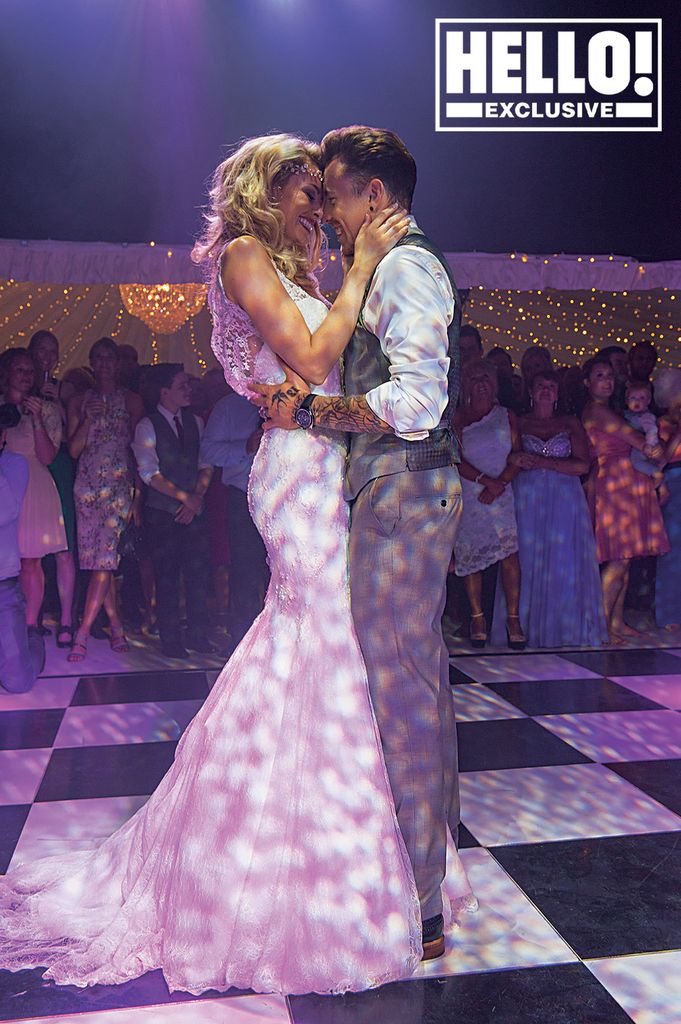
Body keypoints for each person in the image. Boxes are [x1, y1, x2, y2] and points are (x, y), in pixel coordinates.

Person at [0, 133, 466, 996]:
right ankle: (300, 878)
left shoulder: (294, 265)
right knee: (321, 642)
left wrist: (343, 280)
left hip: (325, 461)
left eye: (327, 194)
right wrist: (361, 266)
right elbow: (317, 360)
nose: (320, 208)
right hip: (298, 477)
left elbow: (323, 368)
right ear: (268, 188)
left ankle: (338, 857)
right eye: (307, 189)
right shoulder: (247, 255)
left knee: (330, 654)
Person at [252, 125, 475, 960]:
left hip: (406, 489)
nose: (331, 212)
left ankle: (418, 902)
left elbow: (416, 401)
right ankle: (424, 879)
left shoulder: (405, 269)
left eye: (336, 194)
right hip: (398, 493)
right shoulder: (380, 269)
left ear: (371, 196)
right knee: (411, 682)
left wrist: (308, 413)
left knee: (403, 692)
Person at [496, 370, 607, 648]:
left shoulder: (569, 422)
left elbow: (583, 465)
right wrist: (516, 458)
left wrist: (541, 462)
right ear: (531, 392)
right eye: (541, 385)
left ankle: (562, 626)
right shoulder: (518, 422)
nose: (546, 390)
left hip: (564, 499)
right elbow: (503, 457)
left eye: (551, 386)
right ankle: (522, 625)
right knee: (527, 557)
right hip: (527, 498)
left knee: (562, 558)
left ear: (557, 394)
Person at [66, 337, 144, 661]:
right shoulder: (79, 401)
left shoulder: (132, 401)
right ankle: (115, 626)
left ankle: (82, 632)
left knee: (105, 560)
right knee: (99, 563)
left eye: (109, 358)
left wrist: (137, 497)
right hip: (86, 487)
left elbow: (139, 452)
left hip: (117, 488)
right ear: (92, 363)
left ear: (118, 363)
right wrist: (88, 418)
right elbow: (72, 450)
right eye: (98, 358)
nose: (104, 363)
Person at [581, 356, 669, 642]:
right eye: (599, 376)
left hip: (627, 482)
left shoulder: (612, 409)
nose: (607, 381)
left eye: (609, 376)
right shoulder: (597, 411)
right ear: (587, 383)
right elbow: (639, 442)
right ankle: (601, 624)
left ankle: (615, 622)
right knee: (618, 558)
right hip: (615, 485)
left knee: (626, 558)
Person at [131, 363, 215, 659]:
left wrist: (198, 496)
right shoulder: (147, 425)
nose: (188, 390)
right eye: (181, 385)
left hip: (193, 509)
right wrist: (184, 498)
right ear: (164, 392)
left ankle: (198, 634)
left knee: (198, 574)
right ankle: (171, 639)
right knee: (167, 576)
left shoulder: (197, 422)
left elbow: (206, 462)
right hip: (163, 513)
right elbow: (149, 474)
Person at [450, 359, 525, 649]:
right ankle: (477, 617)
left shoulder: (507, 415)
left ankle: (514, 618)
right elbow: (454, 458)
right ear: (467, 385)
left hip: (501, 492)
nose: (481, 383)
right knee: (470, 555)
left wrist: (500, 482)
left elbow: (517, 455)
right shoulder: (458, 418)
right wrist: (485, 481)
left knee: (509, 554)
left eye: (486, 377)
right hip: (471, 492)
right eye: (475, 378)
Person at [0, 348, 67, 635]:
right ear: (7, 373)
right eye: (20, 369)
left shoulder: (47, 408)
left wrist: (37, 417)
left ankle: (27, 625)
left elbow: (48, 457)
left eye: (30, 370)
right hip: (5, 480)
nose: (26, 375)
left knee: (30, 560)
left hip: (34, 486)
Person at [200, 386, 270, 647]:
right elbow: (208, 451)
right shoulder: (229, 407)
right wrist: (245, 446)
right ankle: (244, 645)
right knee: (245, 574)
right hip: (242, 498)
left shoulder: (285, 402)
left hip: (281, 498)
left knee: (281, 573)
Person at [27, 330, 77, 648]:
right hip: (29, 469)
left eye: (52, 351)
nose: (47, 356)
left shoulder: (65, 389)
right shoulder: (17, 388)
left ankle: (67, 620)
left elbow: (72, 438)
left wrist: (57, 402)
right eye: (41, 351)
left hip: (58, 468)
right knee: (29, 550)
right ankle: (32, 616)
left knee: (64, 548)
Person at [0, 403, 45, 694]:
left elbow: (6, 510)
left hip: (3, 588)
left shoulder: (13, 464)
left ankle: (33, 639)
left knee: (17, 683)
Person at [654, 369, 681, 630]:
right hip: (674, 481)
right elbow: (661, 458)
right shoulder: (660, 424)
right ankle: (670, 613)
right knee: (673, 549)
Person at [623, 380, 667, 498]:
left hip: (645, 446)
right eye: (633, 398)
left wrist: (649, 444)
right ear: (627, 401)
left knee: (636, 462)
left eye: (642, 398)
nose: (637, 401)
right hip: (638, 444)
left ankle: (657, 474)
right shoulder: (628, 414)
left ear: (648, 401)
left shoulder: (646, 416)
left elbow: (652, 430)